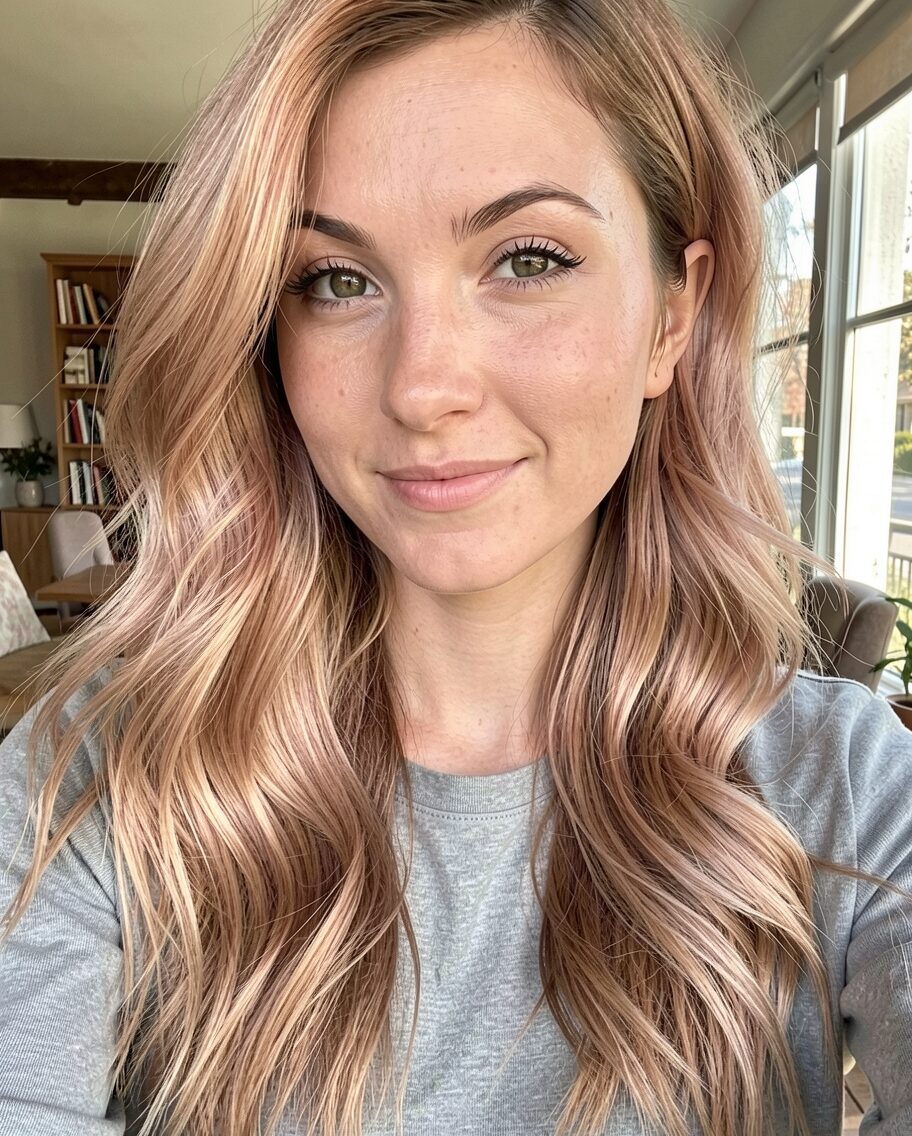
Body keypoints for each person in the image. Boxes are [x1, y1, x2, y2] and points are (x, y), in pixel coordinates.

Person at [1, 1, 911, 1134]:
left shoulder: (848, 789)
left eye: (527, 260)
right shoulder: (93, 778)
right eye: (336, 279)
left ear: (673, 316)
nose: (422, 387)